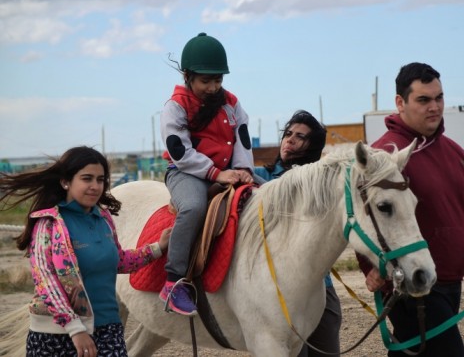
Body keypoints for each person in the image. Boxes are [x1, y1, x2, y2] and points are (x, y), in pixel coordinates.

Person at [357, 62, 464, 356]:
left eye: (439, 98)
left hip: (451, 285)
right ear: (400, 103)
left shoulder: (454, 152)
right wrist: (370, 267)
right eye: (424, 100)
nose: (435, 107)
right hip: (412, 288)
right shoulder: (384, 156)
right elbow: (366, 216)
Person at [0, 146, 170, 357]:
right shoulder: (49, 224)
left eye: (100, 180)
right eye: (87, 179)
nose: (95, 186)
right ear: (65, 181)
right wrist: (75, 330)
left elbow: (118, 262)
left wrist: (156, 248)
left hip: (108, 328)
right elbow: (47, 282)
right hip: (57, 335)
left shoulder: (104, 218)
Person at [159, 32, 254, 316]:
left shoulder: (231, 102)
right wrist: (215, 173)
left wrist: (244, 169)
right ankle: (174, 281)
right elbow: (179, 151)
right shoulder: (175, 106)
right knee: (193, 207)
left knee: (268, 193)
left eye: (218, 80)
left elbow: (242, 136)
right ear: (188, 76)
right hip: (186, 172)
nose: (213, 87)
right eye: (206, 80)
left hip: (228, 170)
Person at [254, 110, 342, 357]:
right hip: (280, 288)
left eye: (300, 137)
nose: (289, 140)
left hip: (319, 286)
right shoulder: (259, 175)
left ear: (312, 146)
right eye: (288, 134)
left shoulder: (319, 185)